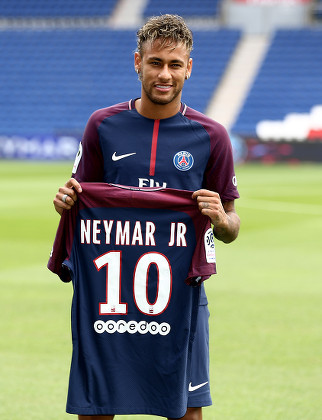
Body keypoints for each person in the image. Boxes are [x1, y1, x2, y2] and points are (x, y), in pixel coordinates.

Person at [52, 14, 240, 420]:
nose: (165, 74)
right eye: (155, 62)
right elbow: (81, 196)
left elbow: (232, 225)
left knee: (187, 411)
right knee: (97, 405)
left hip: (183, 296)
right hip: (109, 296)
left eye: (175, 64)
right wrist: (66, 200)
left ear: (189, 67)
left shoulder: (212, 136)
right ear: (137, 61)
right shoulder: (102, 125)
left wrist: (221, 220)